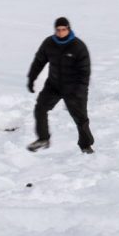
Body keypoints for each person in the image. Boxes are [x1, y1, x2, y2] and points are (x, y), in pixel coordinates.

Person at [27, 17, 95, 153]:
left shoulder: (78, 46)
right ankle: (43, 139)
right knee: (40, 108)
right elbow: (39, 61)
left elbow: (85, 72)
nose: (60, 32)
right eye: (58, 30)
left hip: (74, 88)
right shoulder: (49, 43)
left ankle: (85, 145)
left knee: (81, 118)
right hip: (54, 85)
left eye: (63, 29)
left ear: (68, 29)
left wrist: (80, 90)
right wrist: (31, 78)